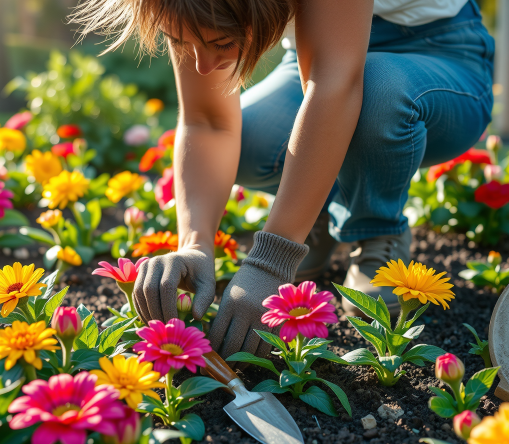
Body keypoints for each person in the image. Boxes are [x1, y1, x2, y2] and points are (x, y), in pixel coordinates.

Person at [73, 0, 494, 359]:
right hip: (314, 54)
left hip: (436, 50)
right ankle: (316, 218)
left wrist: (271, 262)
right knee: (248, 143)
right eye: (181, 41)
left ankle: (375, 230)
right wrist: (195, 243)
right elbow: (207, 121)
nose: (202, 64)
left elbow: (336, 85)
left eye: (220, 43)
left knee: (376, 90)